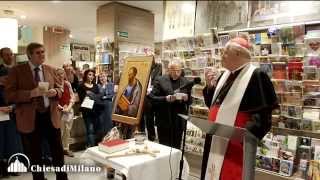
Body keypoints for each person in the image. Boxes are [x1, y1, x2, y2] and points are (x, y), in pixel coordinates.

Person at [201, 37, 278, 180]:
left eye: (224, 52)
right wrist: (210, 86)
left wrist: (242, 133)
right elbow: (213, 106)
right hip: (216, 138)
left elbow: (263, 117)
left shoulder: (256, 75)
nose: (221, 56)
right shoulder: (224, 75)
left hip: (236, 145)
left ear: (237, 53)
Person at [5, 42, 68, 180]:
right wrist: (30, 94)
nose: (42, 55)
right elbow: (9, 95)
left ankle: (62, 177)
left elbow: (60, 90)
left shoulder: (50, 69)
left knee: (57, 151)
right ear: (29, 55)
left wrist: (55, 92)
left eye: (43, 52)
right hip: (30, 119)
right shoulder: (17, 71)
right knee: (35, 153)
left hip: (50, 116)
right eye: (38, 52)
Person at [149, 61, 191, 149]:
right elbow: (152, 97)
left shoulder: (185, 81)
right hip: (164, 120)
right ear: (169, 70)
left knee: (176, 148)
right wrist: (165, 98)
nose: (176, 73)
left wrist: (187, 99)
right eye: (174, 70)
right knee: (165, 148)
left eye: (178, 71)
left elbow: (190, 100)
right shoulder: (160, 80)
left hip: (178, 122)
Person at [0, 47, 22, 178]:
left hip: (13, 115)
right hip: (0, 116)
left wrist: (13, 106)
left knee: (13, 143)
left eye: (11, 54)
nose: (10, 56)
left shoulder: (16, 75)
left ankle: (13, 166)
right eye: (6, 55)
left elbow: (20, 97)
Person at [140, 57, 162, 141]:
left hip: (155, 95)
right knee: (148, 117)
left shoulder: (159, 67)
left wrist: (151, 90)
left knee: (155, 116)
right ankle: (150, 136)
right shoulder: (144, 67)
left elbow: (157, 80)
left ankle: (156, 136)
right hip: (145, 96)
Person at [77, 69, 100, 147]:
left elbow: (97, 97)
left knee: (95, 130)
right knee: (90, 130)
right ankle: (92, 147)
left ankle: (88, 145)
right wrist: (90, 96)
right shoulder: (81, 85)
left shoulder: (96, 86)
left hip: (95, 110)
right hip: (86, 111)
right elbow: (81, 98)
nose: (91, 76)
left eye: (93, 75)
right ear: (86, 75)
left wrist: (91, 95)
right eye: (89, 74)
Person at [56, 68, 75, 157]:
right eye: (58, 74)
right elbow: (53, 100)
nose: (60, 76)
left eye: (62, 74)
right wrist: (61, 108)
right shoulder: (54, 85)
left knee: (68, 131)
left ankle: (66, 148)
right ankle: (58, 149)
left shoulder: (67, 84)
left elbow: (72, 96)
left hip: (69, 110)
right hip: (58, 111)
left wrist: (69, 106)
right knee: (60, 131)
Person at [97, 72, 114, 139]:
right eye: (100, 77)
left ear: (106, 77)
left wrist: (105, 97)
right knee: (101, 122)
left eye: (103, 76)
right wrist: (103, 87)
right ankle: (103, 138)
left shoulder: (111, 84)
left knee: (109, 121)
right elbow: (100, 95)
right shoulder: (98, 86)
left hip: (108, 105)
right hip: (101, 105)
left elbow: (111, 94)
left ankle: (110, 138)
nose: (102, 78)